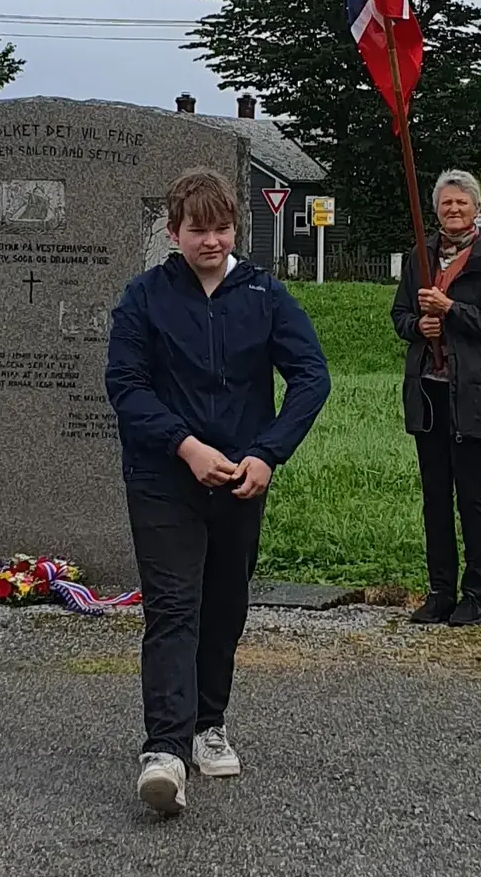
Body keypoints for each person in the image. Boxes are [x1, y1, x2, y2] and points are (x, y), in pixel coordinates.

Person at [106, 168, 331, 815]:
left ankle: (209, 725)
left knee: (224, 604)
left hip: (240, 480)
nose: (211, 241)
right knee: (173, 606)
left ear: (236, 229)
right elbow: (125, 385)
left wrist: (266, 452)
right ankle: (165, 753)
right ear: (172, 232)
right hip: (162, 478)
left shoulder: (264, 295)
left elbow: (311, 376)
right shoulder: (143, 298)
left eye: (221, 229)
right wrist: (185, 445)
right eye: (197, 230)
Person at [390, 169, 481, 628]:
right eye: (446, 204)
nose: (453, 210)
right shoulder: (421, 257)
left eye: (461, 203)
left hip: (472, 394)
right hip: (429, 391)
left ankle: (475, 594)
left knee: (471, 495)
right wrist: (418, 327)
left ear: (475, 208)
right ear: (436, 210)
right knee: (434, 496)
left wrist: (450, 311)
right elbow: (401, 313)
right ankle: (440, 592)